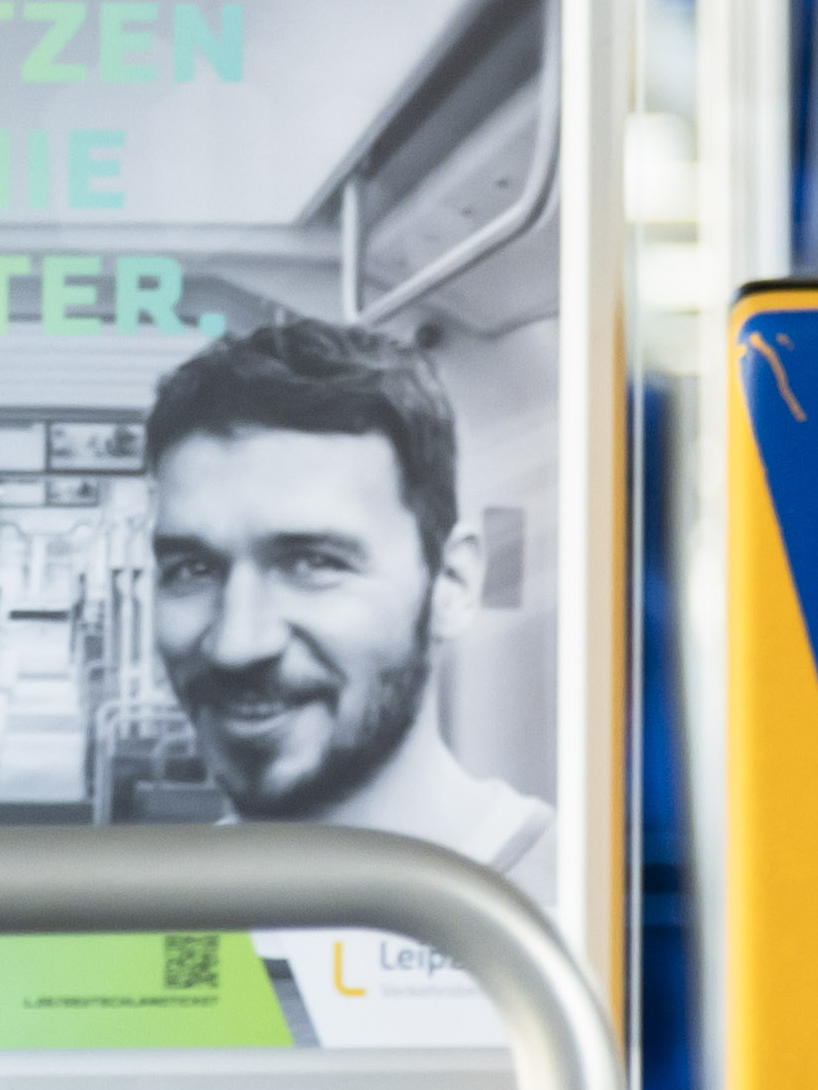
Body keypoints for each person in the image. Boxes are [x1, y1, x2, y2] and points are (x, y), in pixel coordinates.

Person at [145, 309, 554, 891]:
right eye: (192, 569)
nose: (237, 643)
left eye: (313, 563)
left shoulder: (597, 918)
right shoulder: (147, 918)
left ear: (453, 585)